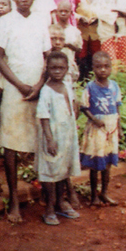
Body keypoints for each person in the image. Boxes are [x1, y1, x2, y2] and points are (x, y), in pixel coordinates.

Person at [0, 0, 51, 223]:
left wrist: (39, 85)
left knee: (41, 139)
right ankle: (14, 199)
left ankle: (46, 192)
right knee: (11, 143)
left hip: (38, 89)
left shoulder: (41, 21)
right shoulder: (4, 22)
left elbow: (48, 57)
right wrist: (19, 85)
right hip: (14, 90)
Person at [36, 51, 81, 226]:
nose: (57, 71)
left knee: (63, 170)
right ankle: (49, 208)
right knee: (50, 171)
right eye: (53, 68)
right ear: (47, 69)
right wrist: (49, 139)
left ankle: (61, 203)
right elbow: (43, 116)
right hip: (53, 137)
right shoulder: (46, 91)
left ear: (67, 69)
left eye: (61, 68)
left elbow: (73, 106)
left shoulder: (67, 86)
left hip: (66, 136)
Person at [80, 51, 122, 206]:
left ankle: (104, 192)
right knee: (95, 163)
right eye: (99, 67)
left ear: (111, 67)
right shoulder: (90, 87)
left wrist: (119, 128)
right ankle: (93, 196)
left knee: (108, 163)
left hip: (111, 129)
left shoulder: (114, 86)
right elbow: (84, 107)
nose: (103, 70)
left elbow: (117, 108)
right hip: (97, 130)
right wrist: (94, 119)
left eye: (106, 66)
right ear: (93, 69)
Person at [77, 0, 102, 79]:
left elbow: (108, 10)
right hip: (82, 32)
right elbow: (72, 10)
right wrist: (79, 18)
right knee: (81, 58)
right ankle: (81, 81)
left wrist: (98, 18)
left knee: (96, 58)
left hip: (97, 33)